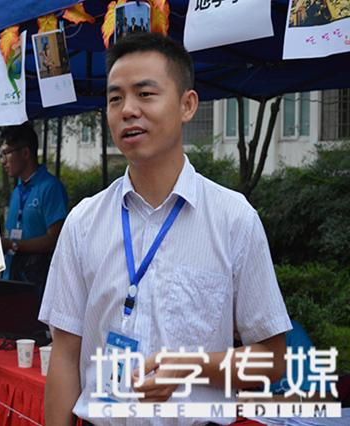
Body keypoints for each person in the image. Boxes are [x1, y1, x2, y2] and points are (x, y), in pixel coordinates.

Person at [39, 33, 292, 426]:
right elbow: (65, 355)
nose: (128, 110)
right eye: (115, 98)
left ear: (187, 105)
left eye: (145, 94)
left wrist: (190, 367)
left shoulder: (233, 220)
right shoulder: (83, 222)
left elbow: (272, 360)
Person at [0, 122, 68, 297]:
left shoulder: (50, 187)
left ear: (25, 153)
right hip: (12, 277)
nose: (3, 161)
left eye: (6, 153)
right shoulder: (17, 191)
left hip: (37, 282)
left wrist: (13, 245)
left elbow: (54, 240)